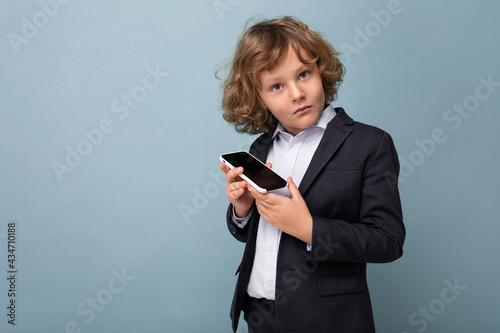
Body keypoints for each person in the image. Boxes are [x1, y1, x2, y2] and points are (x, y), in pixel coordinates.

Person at [218, 16, 405, 333]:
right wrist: (242, 210)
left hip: (329, 318)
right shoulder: (260, 147)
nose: (296, 93)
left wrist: (308, 228)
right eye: (276, 86)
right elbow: (250, 234)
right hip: (259, 314)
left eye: (303, 74)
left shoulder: (370, 144)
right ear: (259, 97)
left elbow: (388, 241)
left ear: (322, 70)